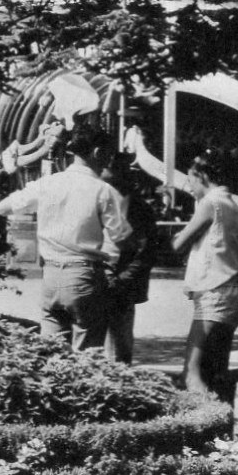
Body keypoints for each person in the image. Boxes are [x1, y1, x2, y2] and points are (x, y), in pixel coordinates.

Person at [0, 126, 132, 351]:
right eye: (108, 154)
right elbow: (121, 236)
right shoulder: (103, 191)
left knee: (51, 351)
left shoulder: (47, 183)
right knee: (87, 354)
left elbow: (2, 207)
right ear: (97, 152)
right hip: (84, 275)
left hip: (50, 276)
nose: (109, 161)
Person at [171, 150, 238, 397]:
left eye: (191, 180)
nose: (190, 187)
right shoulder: (230, 203)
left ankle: (202, 424)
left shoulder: (210, 204)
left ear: (202, 176)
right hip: (234, 294)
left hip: (213, 294)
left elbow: (177, 245)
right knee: (217, 369)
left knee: (192, 372)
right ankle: (222, 423)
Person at [101, 156, 158, 365]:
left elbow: (146, 250)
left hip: (120, 278)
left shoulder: (135, 205)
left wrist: (123, 278)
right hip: (105, 274)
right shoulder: (104, 197)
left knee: (118, 346)